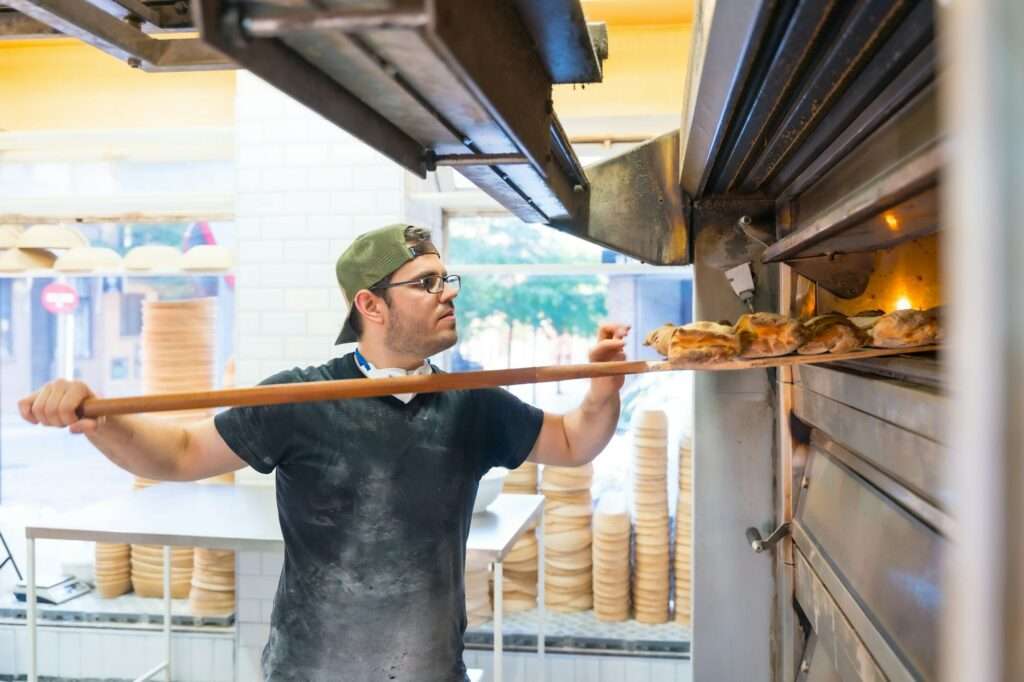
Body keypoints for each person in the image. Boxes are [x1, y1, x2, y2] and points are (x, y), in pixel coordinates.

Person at [19, 223, 630, 682]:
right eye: (425, 283)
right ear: (370, 305)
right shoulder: (302, 397)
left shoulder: (470, 402)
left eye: (447, 279)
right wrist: (96, 419)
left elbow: (575, 441)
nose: (447, 293)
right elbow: (178, 454)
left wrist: (604, 386)